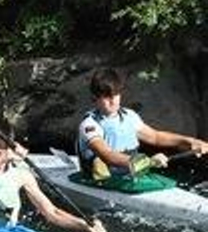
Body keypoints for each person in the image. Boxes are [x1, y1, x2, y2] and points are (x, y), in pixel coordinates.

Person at [0, 129, 107, 232]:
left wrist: (83, 225)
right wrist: (4, 155)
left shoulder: (22, 175)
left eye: (2, 153)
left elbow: (52, 213)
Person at [76, 67, 208, 188]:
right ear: (95, 98)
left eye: (115, 94)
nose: (112, 101)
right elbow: (107, 155)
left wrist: (189, 141)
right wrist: (146, 161)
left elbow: (156, 137)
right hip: (100, 181)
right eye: (106, 97)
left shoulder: (129, 116)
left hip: (131, 177)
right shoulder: (90, 125)